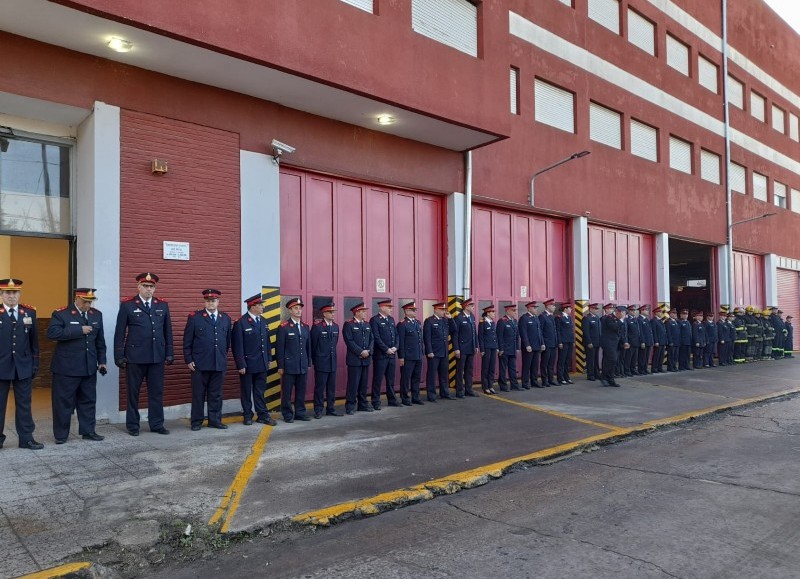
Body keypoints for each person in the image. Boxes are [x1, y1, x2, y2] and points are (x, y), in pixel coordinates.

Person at [114, 272, 174, 436]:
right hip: (135, 357)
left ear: (154, 288)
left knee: (156, 392)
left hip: (157, 356)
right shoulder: (128, 305)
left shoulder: (162, 305)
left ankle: (156, 424)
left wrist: (169, 352)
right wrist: (119, 355)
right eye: (145, 286)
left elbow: (167, 330)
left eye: (151, 286)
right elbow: (119, 332)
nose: (148, 289)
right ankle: (133, 425)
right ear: (138, 287)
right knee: (133, 393)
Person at [47, 288, 107, 444]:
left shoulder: (96, 315)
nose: (88, 304)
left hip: (88, 367)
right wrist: (78, 330)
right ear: (77, 299)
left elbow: (100, 342)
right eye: (85, 301)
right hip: (66, 368)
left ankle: (88, 431)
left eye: (90, 301)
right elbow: (52, 333)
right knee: (63, 403)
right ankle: (61, 435)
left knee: (88, 400)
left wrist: (102, 361)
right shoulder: (61, 313)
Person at [0, 278, 42, 450]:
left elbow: (34, 342)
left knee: (24, 404)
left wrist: (35, 364)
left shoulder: (29, 313)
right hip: (1, 367)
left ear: (19, 294)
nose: (11, 296)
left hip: (23, 366)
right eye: (8, 293)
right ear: (1, 294)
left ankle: (26, 439)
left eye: (15, 292)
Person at [184, 289, 232, 430]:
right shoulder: (195, 317)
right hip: (199, 363)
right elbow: (187, 341)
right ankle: (196, 422)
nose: (210, 303)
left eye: (213, 300)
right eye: (208, 301)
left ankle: (215, 420)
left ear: (218, 302)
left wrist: (222, 357)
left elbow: (227, 341)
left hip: (218, 363)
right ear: (204, 302)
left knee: (216, 395)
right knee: (198, 395)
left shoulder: (226, 318)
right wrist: (188, 359)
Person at [231, 293, 277, 426]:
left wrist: (268, 358)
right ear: (252, 307)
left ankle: (262, 415)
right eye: (260, 305)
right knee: (246, 391)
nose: (263, 307)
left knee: (260, 391)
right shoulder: (241, 323)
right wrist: (240, 364)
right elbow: (237, 345)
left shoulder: (263, 321)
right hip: (247, 364)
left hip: (262, 363)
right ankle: (247, 415)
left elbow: (267, 343)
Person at [276, 297, 311, 422]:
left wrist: (309, 363)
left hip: (302, 364)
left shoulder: (305, 327)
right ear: (290, 311)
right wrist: (280, 366)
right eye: (295, 308)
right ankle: (287, 414)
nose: (298, 311)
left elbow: (308, 347)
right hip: (289, 366)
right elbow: (279, 348)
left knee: (301, 391)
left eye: (300, 308)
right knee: (287, 393)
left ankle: (300, 413)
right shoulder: (284, 327)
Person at [310, 302, 342, 418]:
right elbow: (313, 346)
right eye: (330, 312)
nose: (332, 314)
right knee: (320, 387)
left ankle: (330, 408)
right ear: (324, 314)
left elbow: (334, 344)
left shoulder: (336, 326)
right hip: (321, 362)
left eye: (333, 312)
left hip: (332, 362)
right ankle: (318, 410)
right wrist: (314, 361)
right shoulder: (317, 327)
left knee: (331, 387)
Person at [343, 302, 372, 414]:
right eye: (363, 311)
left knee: (364, 384)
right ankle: (350, 406)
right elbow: (349, 341)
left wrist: (368, 351)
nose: (365, 313)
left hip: (366, 359)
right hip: (354, 360)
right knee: (353, 384)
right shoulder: (349, 324)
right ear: (357, 312)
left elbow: (372, 339)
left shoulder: (367, 324)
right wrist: (360, 352)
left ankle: (363, 404)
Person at [370, 299, 399, 409]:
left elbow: (396, 335)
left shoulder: (391, 320)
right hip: (381, 355)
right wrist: (386, 349)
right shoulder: (375, 320)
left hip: (392, 354)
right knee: (378, 379)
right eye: (389, 307)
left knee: (390, 379)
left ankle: (391, 399)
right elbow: (376, 338)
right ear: (382, 308)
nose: (391, 309)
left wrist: (396, 347)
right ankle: (376, 402)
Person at [451, 298, 480, 397]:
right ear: (466, 306)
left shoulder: (472, 317)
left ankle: (469, 389)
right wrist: (456, 348)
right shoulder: (458, 318)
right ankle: (459, 391)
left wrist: (476, 345)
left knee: (469, 370)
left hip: (471, 348)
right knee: (460, 370)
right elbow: (455, 334)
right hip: (462, 348)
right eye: (472, 306)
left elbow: (474, 333)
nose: (473, 307)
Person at [424, 302, 453, 401]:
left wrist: (450, 319)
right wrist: (429, 351)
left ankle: (444, 393)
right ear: (435, 310)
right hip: (434, 352)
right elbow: (427, 338)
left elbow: (454, 330)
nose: (444, 311)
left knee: (444, 374)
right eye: (442, 310)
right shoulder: (429, 321)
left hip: (444, 351)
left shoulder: (445, 320)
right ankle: (431, 395)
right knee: (432, 374)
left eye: (444, 310)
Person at [397, 301, 424, 405]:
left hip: (418, 355)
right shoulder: (402, 324)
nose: (415, 312)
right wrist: (401, 357)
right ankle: (405, 398)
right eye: (413, 310)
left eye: (415, 310)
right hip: (408, 356)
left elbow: (420, 339)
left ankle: (415, 397)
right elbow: (401, 342)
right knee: (406, 378)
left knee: (416, 377)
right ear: (407, 311)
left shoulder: (417, 322)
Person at [600, 304, 628, 387]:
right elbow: (614, 327)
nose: (624, 316)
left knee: (612, 361)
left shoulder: (618, 319)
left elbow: (621, 332)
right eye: (623, 313)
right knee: (612, 359)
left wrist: (625, 342)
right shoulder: (609, 318)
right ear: (618, 312)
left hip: (616, 343)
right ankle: (603, 376)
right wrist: (622, 320)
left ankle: (610, 379)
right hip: (608, 343)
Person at [520, 301, 546, 387]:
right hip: (529, 347)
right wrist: (527, 344)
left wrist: (542, 343)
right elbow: (523, 333)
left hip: (537, 345)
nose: (536, 309)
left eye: (536, 308)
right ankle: (525, 383)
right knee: (527, 365)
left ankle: (534, 382)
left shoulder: (536, 318)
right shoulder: (524, 318)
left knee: (535, 365)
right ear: (529, 308)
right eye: (534, 308)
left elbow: (540, 332)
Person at [497, 304, 520, 391]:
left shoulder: (514, 321)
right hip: (505, 349)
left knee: (513, 368)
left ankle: (514, 385)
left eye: (515, 310)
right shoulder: (502, 321)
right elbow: (500, 336)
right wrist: (501, 348)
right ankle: (503, 386)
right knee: (503, 368)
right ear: (507, 311)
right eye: (513, 310)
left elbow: (517, 335)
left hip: (513, 349)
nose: (515, 312)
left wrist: (517, 347)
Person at [478, 305, 498, 395]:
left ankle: (490, 385)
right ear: (488, 313)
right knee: (485, 368)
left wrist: (497, 347)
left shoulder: (492, 323)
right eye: (492, 312)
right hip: (486, 348)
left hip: (493, 347)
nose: (494, 314)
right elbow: (481, 337)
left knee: (492, 367)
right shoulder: (482, 322)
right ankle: (485, 387)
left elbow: (495, 336)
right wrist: (482, 349)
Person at [539, 298, 558, 386]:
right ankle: (544, 380)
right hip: (546, 343)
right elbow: (540, 331)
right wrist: (542, 343)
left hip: (553, 343)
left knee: (551, 363)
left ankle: (551, 379)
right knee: (545, 363)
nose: (554, 307)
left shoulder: (551, 316)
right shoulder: (542, 316)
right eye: (553, 306)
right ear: (548, 306)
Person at [555, 303, 575, 384]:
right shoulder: (559, 318)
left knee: (567, 360)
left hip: (569, 341)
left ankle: (566, 377)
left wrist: (573, 341)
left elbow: (571, 331)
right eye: (570, 308)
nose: (571, 309)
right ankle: (560, 378)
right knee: (562, 360)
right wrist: (559, 342)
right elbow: (558, 331)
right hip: (563, 342)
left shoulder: (569, 318)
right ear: (565, 309)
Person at [582, 303, 602, 382]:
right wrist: (589, 342)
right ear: (590, 309)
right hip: (590, 343)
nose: (596, 310)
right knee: (590, 359)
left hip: (597, 342)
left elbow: (599, 331)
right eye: (595, 309)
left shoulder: (597, 317)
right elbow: (586, 331)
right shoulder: (586, 318)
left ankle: (596, 373)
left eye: (596, 309)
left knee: (596, 359)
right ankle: (590, 375)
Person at [624, 305, 642, 376]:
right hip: (630, 342)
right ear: (628, 311)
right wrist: (627, 341)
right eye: (632, 310)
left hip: (636, 341)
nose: (634, 312)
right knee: (628, 357)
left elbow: (638, 331)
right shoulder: (627, 319)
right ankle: (627, 370)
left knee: (634, 358)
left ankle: (633, 369)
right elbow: (626, 332)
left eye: (634, 310)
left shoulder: (636, 319)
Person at [637, 305, 653, 375]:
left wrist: (651, 341)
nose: (648, 311)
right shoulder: (639, 319)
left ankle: (645, 369)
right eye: (646, 310)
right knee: (642, 357)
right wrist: (642, 341)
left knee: (646, 356)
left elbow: (650, 331)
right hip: (644, 341)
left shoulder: (646, 319)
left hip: (648, 341)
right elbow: (640, 332)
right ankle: (641, 369)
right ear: (642, 311)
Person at [650, 306, 667, 373]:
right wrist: (656, 341)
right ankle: (654, 368)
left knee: (661, 356)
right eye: (659, 312)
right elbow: (654, 331)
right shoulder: (653, 321)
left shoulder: (660, 320)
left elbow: (664, 332)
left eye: (661, 312)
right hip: (658, 341)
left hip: (662, 341)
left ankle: (660, 367)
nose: (661, 313)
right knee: (656, 355)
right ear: (656, 313)